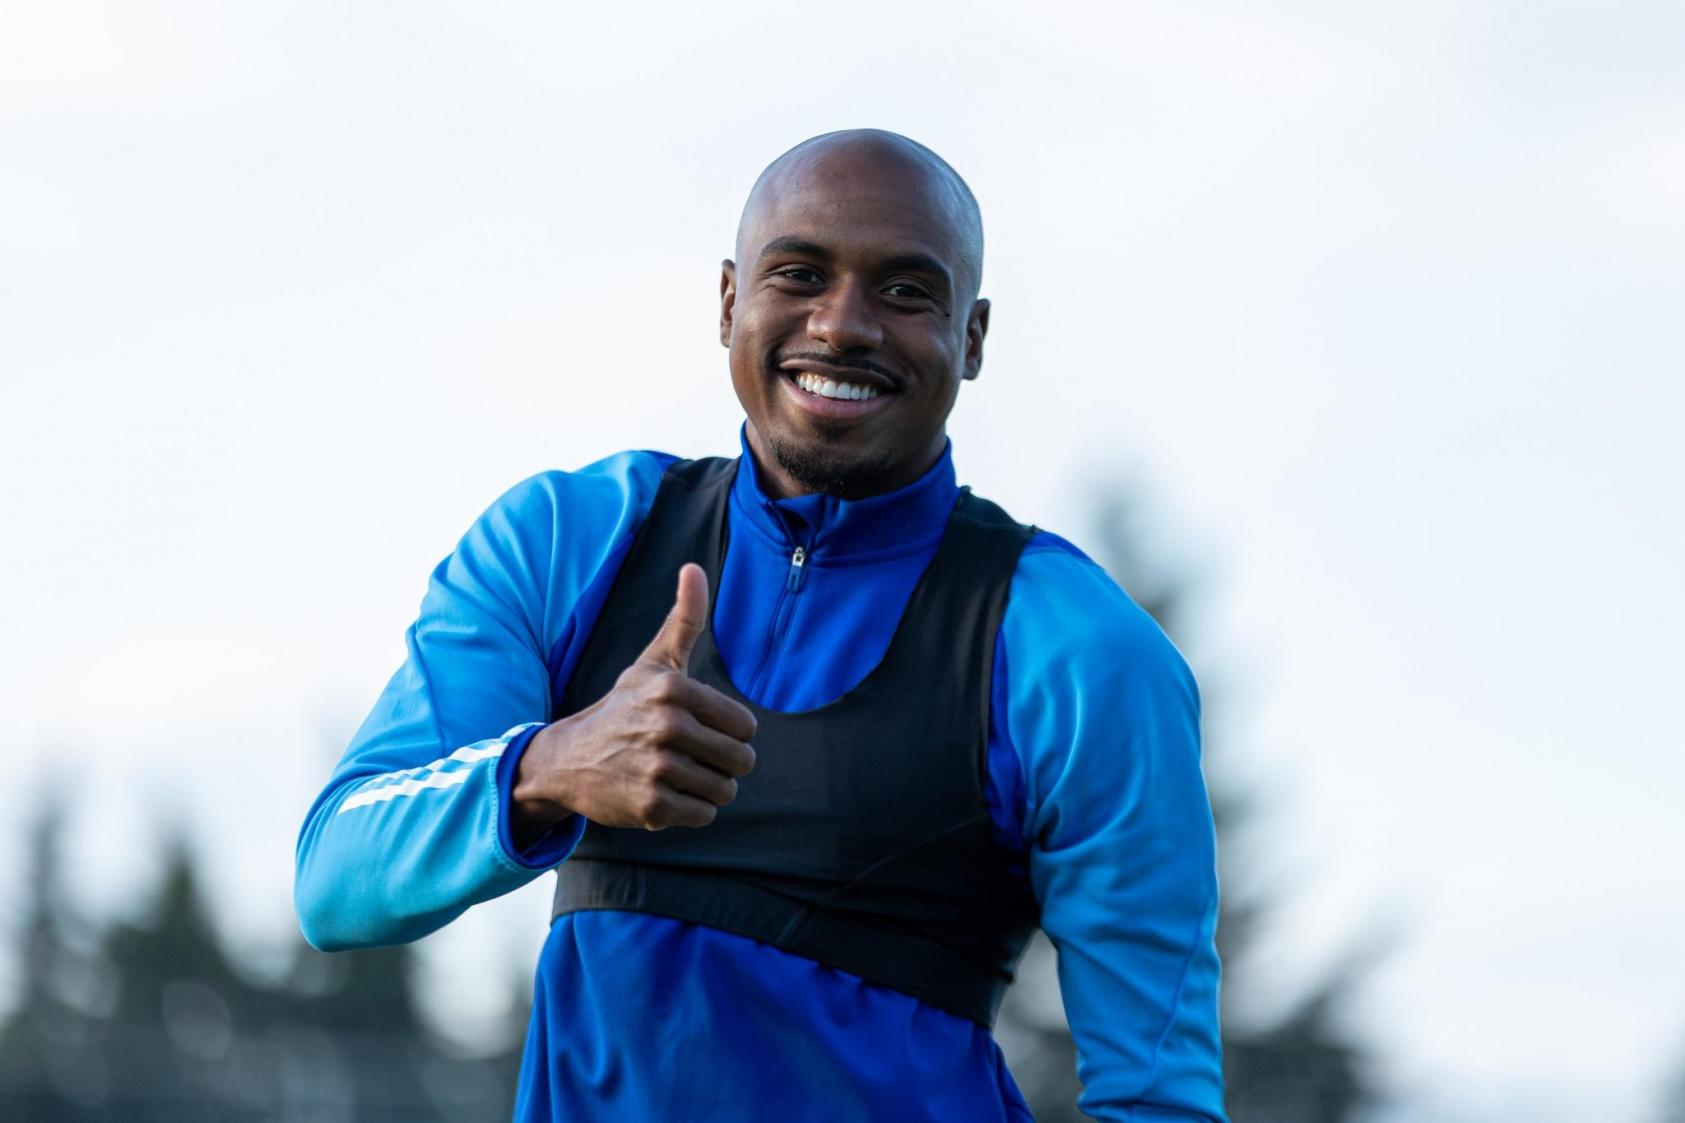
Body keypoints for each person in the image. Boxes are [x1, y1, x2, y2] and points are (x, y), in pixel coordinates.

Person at [295, 128, 1226, 1122]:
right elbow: (335, 878)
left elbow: (1157, 1094)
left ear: (972, 337)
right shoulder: (568, 540)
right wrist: (551, 767)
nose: (842, 325)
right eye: (799, 274)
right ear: (729, 300)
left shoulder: (1079, 649)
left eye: (905, 290)